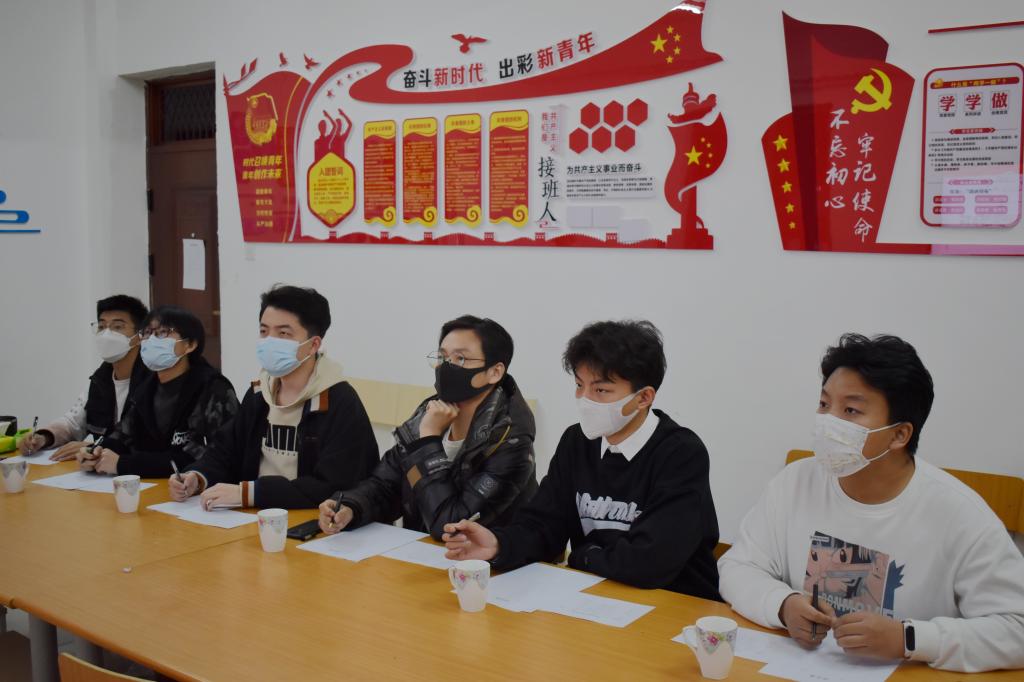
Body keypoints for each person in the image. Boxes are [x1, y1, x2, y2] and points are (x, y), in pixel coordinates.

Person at [718, 333, 1024, 672]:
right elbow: (737, 567)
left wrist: (908, 639)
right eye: (824, 404)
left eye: (850, 410)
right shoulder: (795, 482)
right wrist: (783, 604)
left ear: (899, 434)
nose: (828, 421)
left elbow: (1017, 628)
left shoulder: (960, 514)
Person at [444, 320, 721, 600]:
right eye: (579, 385)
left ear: (643, 398)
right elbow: (544, 525)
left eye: (601, 390)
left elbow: (650, 562)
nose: (584, 399)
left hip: (675, 602)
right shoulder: (576, 441)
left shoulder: (681, 453)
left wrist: (583, 557)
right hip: (597, 595)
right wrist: (498, 544)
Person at [318, 315, 537, 540]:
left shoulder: (510, 441)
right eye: (442, 357)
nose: (446, 366)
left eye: (460, 358)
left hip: (482, 559)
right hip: (418, 551)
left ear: (495, 372)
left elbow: (450, 525)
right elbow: (386, 486)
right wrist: (351, 507)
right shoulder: (428, 413)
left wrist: (428, 441)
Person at [169, 285, 378, 509]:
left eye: (283, 334)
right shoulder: (260, 393)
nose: (270, 341)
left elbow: (335, 485)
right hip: (253, 516)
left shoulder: (339, 401)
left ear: (313, 345)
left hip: (310, 519)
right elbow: (225, 451)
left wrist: (251, 493)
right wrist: (198, 476)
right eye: (264, 331)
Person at [77, 305, 238, 477]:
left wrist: (123, 464)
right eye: (147, 333)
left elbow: (205, 457)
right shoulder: (145, 386)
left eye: (162, 333)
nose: (151, 340)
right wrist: (96, 452)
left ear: (190, 344)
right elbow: (123, 436)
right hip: (149, 486)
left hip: (195, 489)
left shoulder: (213, 388)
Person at [18, 295, 151, 461]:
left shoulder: (153, 380)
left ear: (140, 335)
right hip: (98, 470)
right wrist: (43, 437)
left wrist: (96, 447)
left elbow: (145, 442)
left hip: (138, 469)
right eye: (102, 327)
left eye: (117, 327)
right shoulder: (100, 379)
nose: (107, 335)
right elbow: (73, 423)